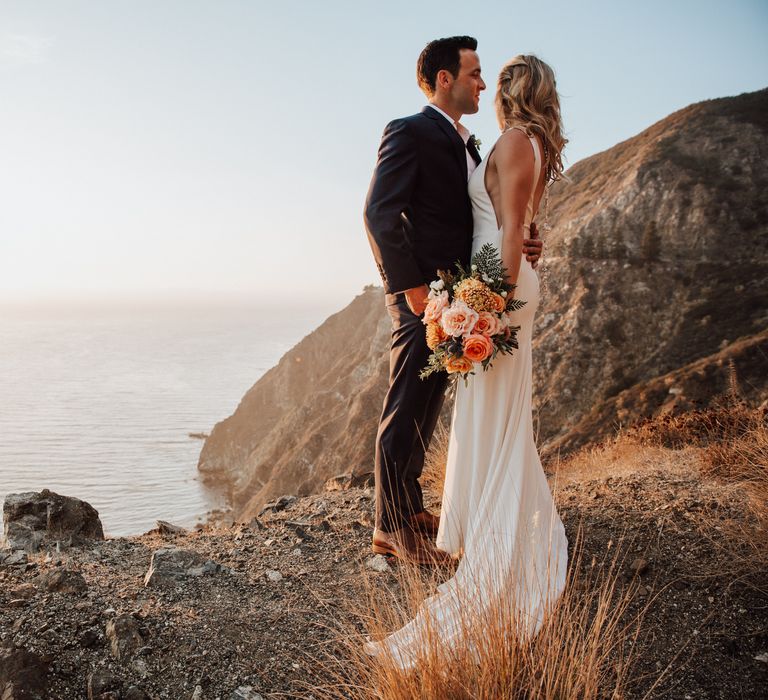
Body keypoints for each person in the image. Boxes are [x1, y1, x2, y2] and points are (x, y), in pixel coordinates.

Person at [363, 54, 569, 669]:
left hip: (486, 289)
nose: (481, 83)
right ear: (444, 78)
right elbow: (381, 213)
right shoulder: (420, 130)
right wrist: (415, 291)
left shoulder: (498, 140)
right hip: (446, 290)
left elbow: (506, 222)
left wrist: (493, 293)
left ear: (508, 90)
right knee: (427, 403)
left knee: (465, 409)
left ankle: (438, 520)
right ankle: (398, 519)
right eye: (472, 73)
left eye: (489, 76)